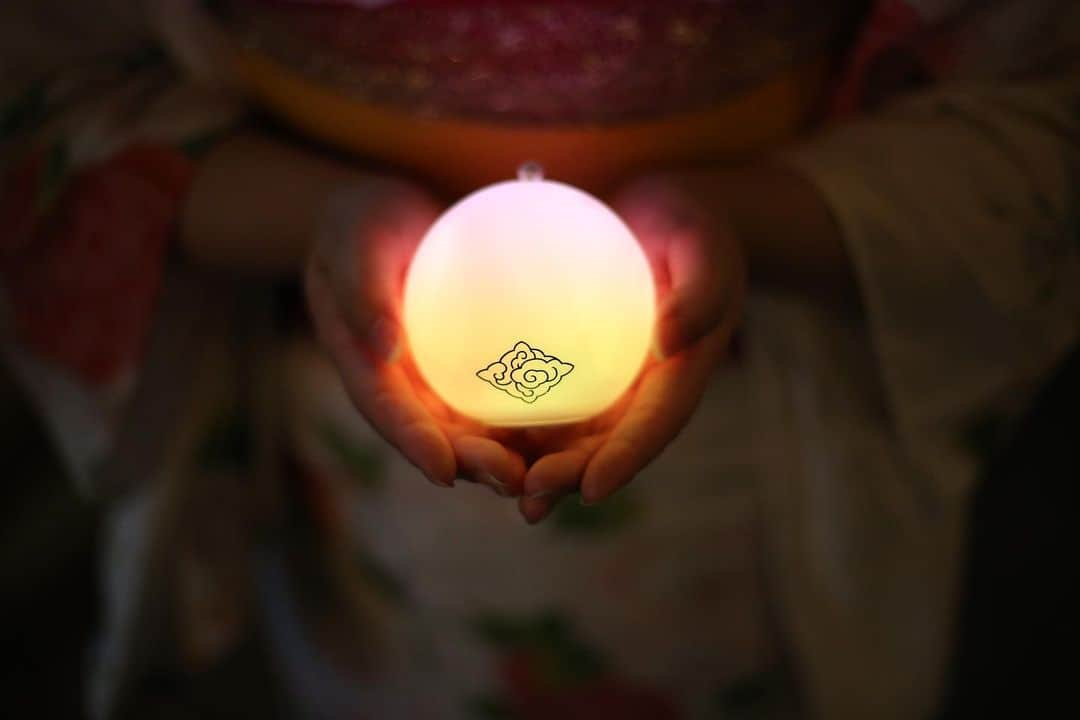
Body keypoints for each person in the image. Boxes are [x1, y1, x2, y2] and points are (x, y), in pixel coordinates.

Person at [2, 1, 1077, 718]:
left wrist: (737, 221)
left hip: (762, 431)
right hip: (351, 447)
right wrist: (326, 216)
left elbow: (1038, 106)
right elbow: (45, 98)